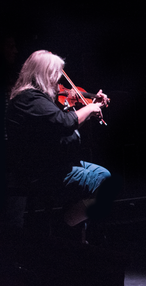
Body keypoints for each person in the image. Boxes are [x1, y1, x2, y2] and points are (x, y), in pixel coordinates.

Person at [4, 50, 111, 237]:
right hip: (41, 170)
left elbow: (64, 126)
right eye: (55, 73)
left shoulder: (39, 99)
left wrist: (88, 108)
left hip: (57, 163)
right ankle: (64, 226)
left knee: (105, 176)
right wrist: (90, 107)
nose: (58, 79)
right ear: (43, 73)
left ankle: (69, 229)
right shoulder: (29, 99)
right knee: (105, 184)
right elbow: (65, 122)